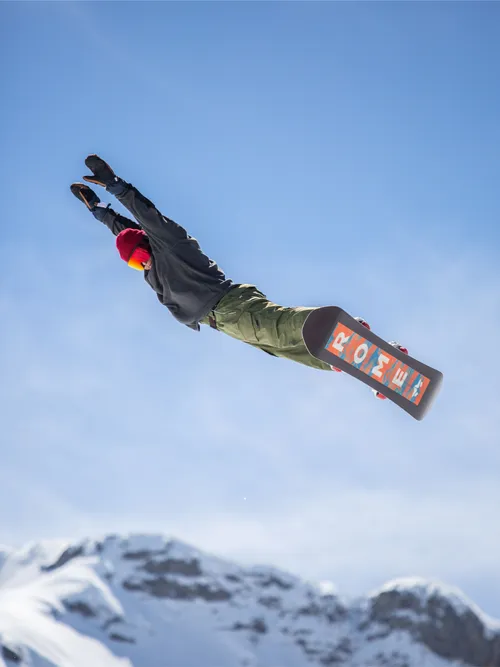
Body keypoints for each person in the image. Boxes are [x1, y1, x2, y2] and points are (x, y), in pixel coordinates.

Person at [71, 154, 333, 372]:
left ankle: (334, 330)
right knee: (283, 348)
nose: (143, 266)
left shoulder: (169, 244)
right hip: (224, 322)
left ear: (149, 244)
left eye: (140, 258)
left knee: (278, 327)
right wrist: (99, 211)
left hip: (230, 305)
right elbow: (125, 232)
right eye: (134, 265)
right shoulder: (153, 265)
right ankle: (340, 359)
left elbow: (146, 216)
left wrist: (115, 186)